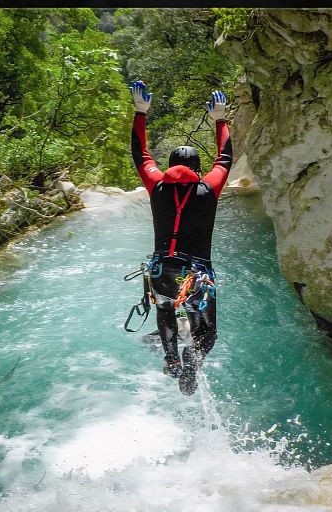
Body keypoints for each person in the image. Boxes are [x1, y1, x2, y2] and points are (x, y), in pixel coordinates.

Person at [129, 80, 232, 395]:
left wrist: (140, 111)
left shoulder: (157, 186)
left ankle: (172, 356)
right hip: (196, 274)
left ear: (171, 165)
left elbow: (140, 155)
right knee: (208, 334)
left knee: (165, 310)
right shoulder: (208, 188)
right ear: (197, 170)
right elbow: (225, 158)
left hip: (162, 270)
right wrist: (220, 119)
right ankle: (191, 361)